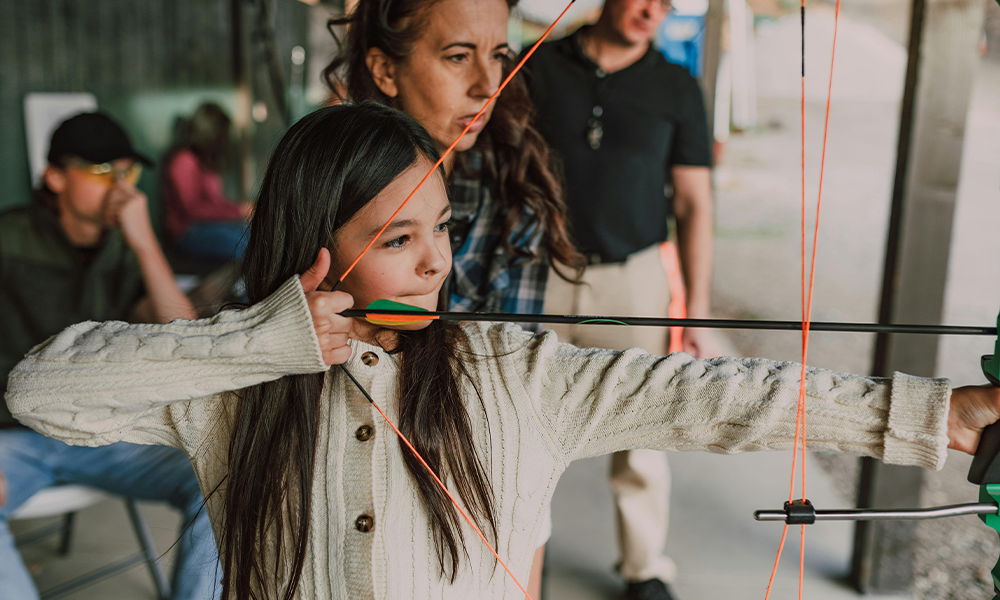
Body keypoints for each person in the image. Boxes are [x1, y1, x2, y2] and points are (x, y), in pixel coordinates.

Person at [6, 102, 999, 600]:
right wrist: (266, 338)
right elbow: (42, 389)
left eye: (440, 228)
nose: (437, 261)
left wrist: (936, 418)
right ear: (316, 243)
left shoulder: (510, 369)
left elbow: (715, 396)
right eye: (398, 239)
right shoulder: (233, 381)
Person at [527, 0, 716, 595]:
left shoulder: (678, 86)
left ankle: (643, 570)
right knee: (521, 422)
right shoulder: (537, 66)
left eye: (668, 3)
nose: (655, 10)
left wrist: (698, 310)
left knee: (642, 429)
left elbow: (693, 203)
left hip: (634, 281)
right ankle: (519, 551)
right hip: (540, 272)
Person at [0, 112, 221, 600]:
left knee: (222, 476)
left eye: (128, 172)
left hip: (101, 433)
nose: (120, 187)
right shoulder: (9, 239)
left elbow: (182, 332)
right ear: (55, 177)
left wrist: (143, 240)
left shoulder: (124, 247)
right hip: (12, 438)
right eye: (103, 172)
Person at [324, 0, 584, 325]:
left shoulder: (515, 196)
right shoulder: (326, 175)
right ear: (386, 70)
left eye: (498, 56)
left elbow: (513, 359)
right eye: (458, 56)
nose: (489, 87)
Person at [163, 103, 252, 262]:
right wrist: (240, 210)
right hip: (187, 232)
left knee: (253, 236)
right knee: (244, 245)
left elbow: (215, 203)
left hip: (208, 227)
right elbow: (193, 209)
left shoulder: (207, 161)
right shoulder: (184, 160)